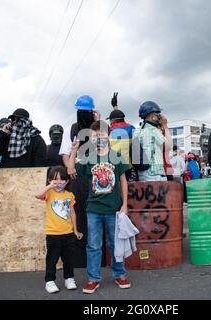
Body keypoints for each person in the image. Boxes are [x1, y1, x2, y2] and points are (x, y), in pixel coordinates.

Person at [69, 120, 132, 294]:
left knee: (115, 244)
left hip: (114, 209)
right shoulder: (88, 158)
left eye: (102, 135)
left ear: (109, 136)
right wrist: (74, 149)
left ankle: (120, 274)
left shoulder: (117, 156)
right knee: (93, 245)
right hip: (94, 209)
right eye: (96, 136)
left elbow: (123, 181)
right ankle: (93, 279)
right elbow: (70, 170)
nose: (99, 138)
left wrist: (125, 204)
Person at [59, 95, 100, 268]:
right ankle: (77, 260)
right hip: (77, 178)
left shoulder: (98, 128)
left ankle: (99, 259)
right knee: (78, 215)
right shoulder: (71, 129)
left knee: (96, 216)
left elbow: (105, 148)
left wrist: (97, 124)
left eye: (87, 111)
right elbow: (65, 153)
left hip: (97, 176)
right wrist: (70, 168)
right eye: (81, 111)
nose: (84, 113)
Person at [35, 166, 83, 294]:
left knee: (69, 258)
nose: (59, 182)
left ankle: (69, 278)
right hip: (53, 234)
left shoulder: (69, 195)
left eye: (62, 179)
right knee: (52, 259)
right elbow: (37, 195)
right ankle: (49, 281)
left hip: (68, 233)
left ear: (67, 181)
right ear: (50, 180)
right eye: (55, 180)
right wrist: (49, 186)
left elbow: (72, 213)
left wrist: (76, 230)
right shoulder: (49, 193)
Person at [135, 101, 173, 182]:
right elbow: (168, 146)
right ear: (152, 116)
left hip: (143, 174)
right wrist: (165, 126)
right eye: (158, 115)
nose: (160, 117)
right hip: (155, 175)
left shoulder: (138, 131)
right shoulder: (153, 130)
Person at [107, 106, 137, 181]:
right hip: (129, 166)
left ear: (112, 121)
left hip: (114, 167)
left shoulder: (109, 131)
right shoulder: (132, 128)